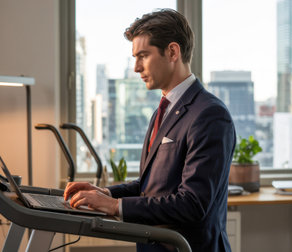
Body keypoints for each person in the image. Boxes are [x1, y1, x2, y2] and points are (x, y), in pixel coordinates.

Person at [64, 9, 236, 252]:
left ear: (172, 51)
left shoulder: (210, 114)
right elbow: (151, 187)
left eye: (143, 56)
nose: (136, 67)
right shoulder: (162, 111)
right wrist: (105, 193)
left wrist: (114, 206)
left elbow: (192, 204)